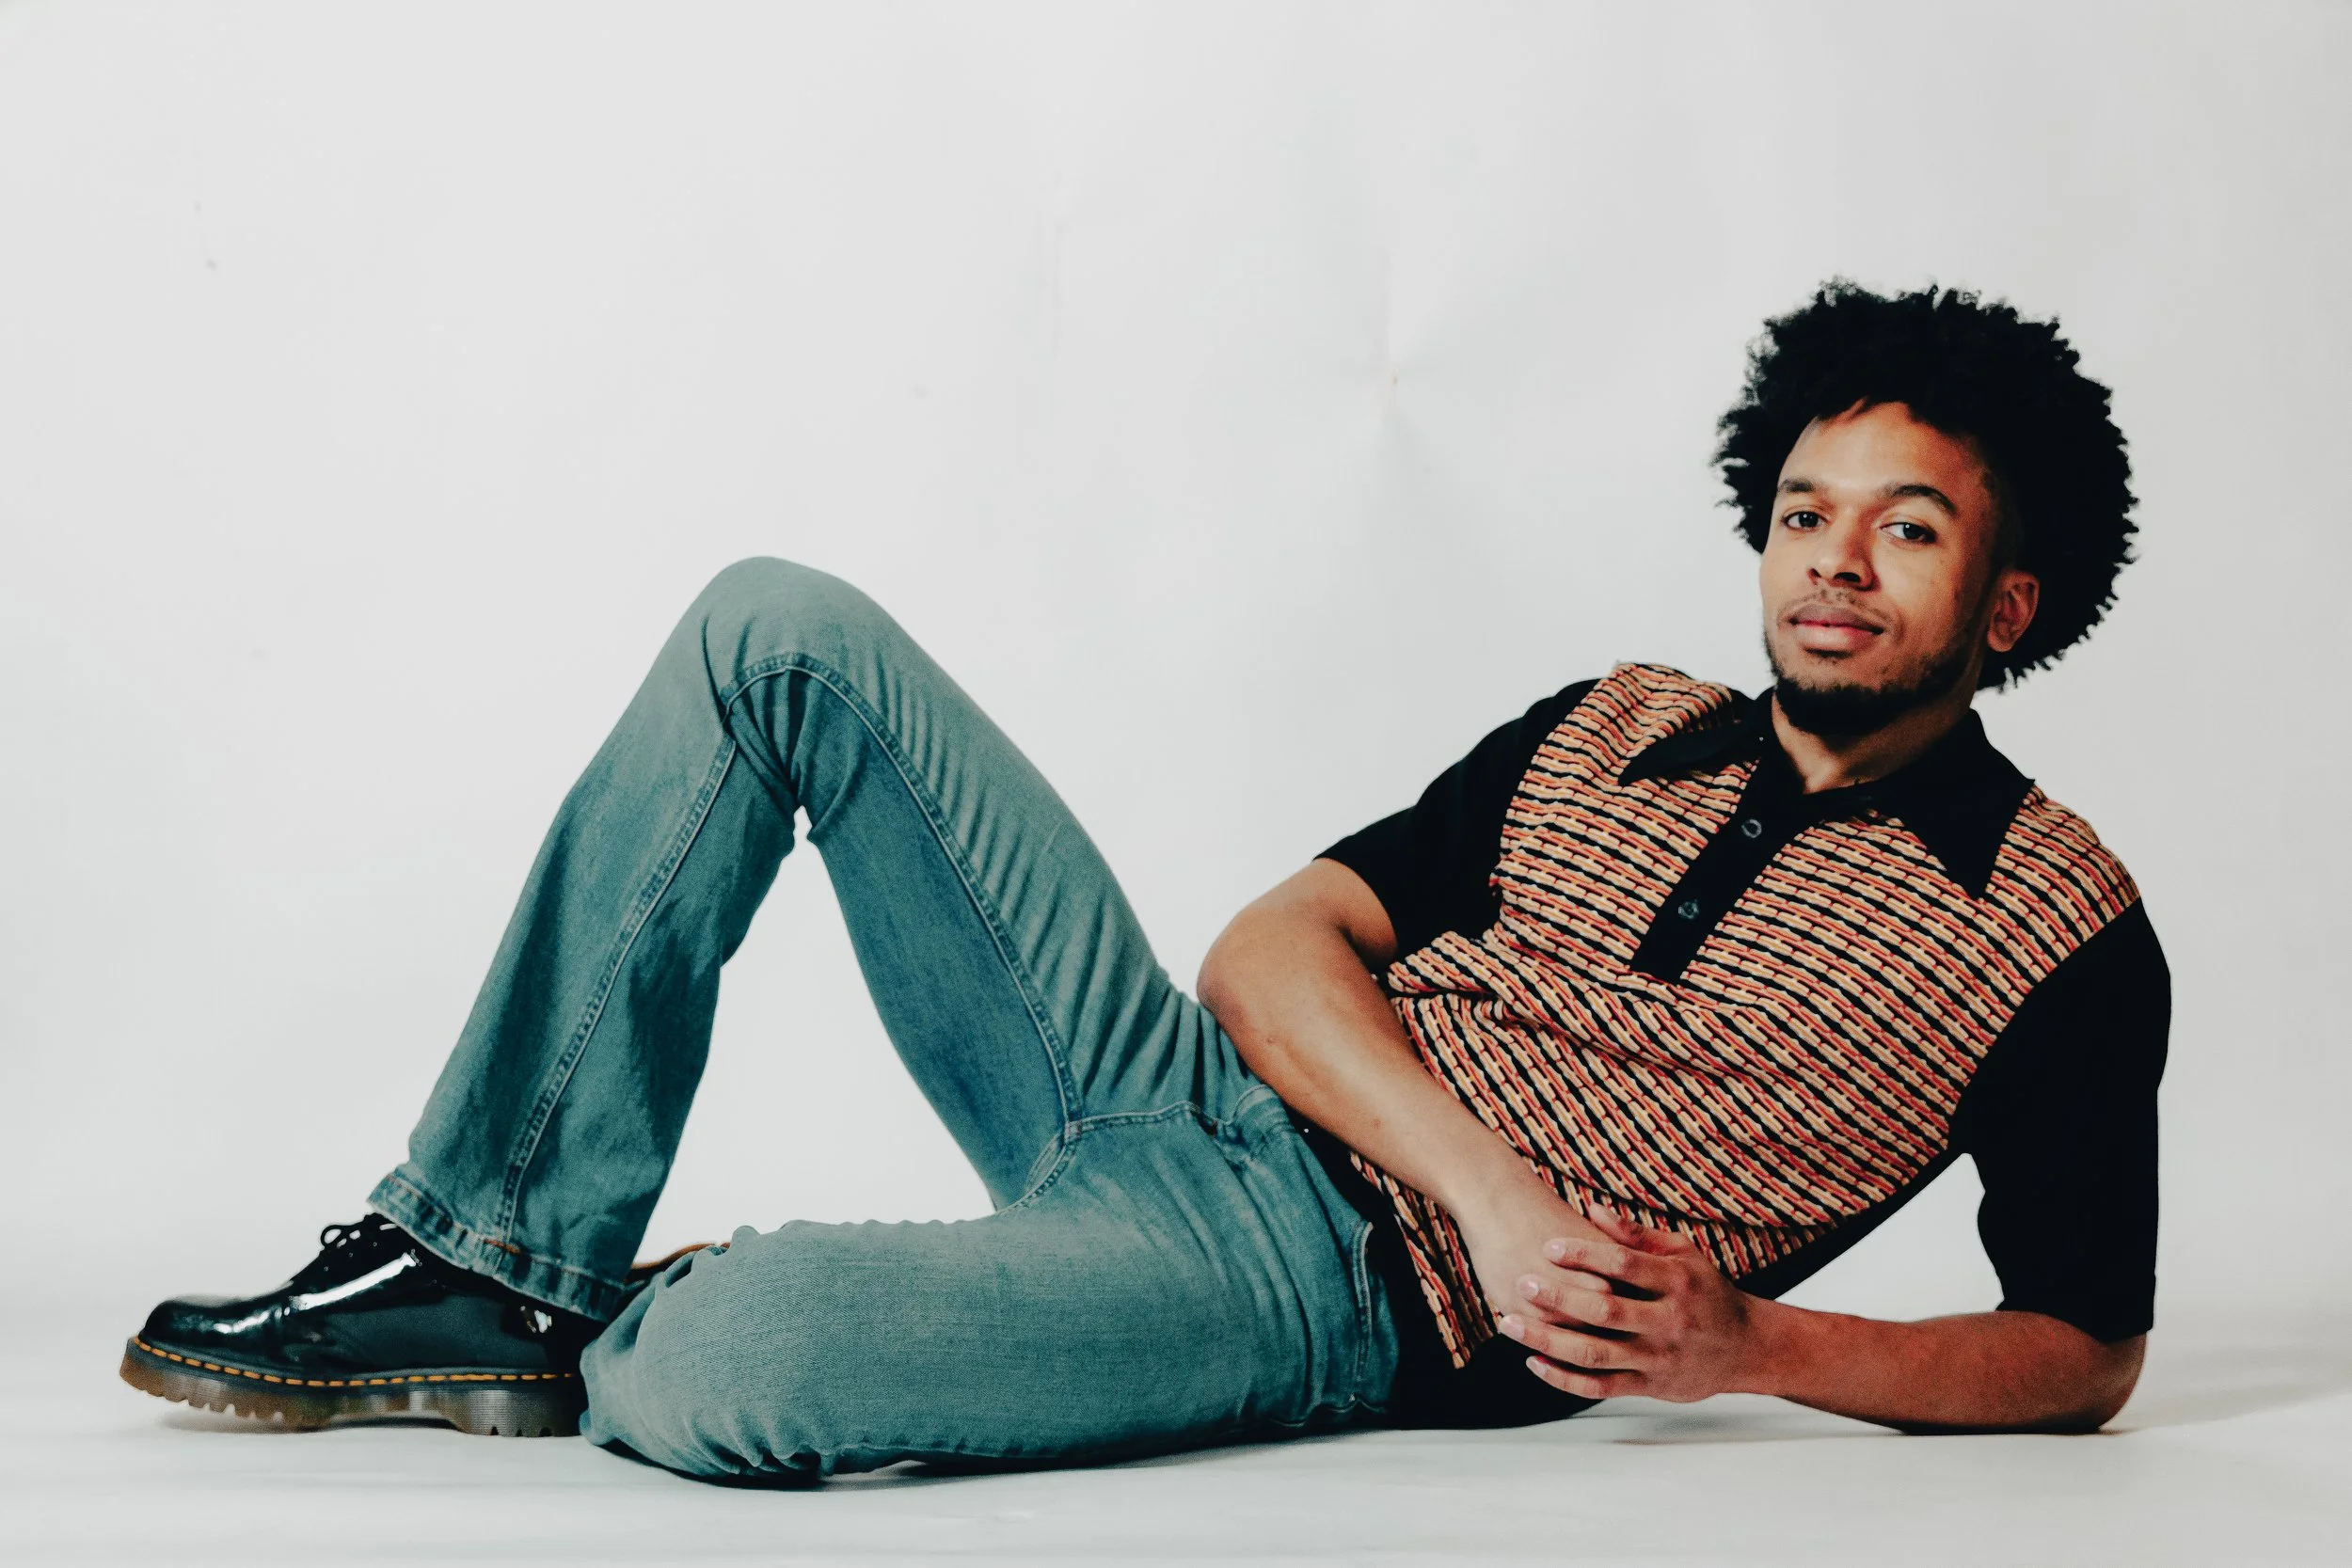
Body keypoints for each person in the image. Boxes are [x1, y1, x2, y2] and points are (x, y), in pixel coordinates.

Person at [120, 281, 2168, 1480]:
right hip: (1169, 1082)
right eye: (1803, 511)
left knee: (736, 1369)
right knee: (779, 626)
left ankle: (684, 1308)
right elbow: (1275, 946)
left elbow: (2081, 1345)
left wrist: (1754, 1347)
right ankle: (493, 1250)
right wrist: (1493, 1182)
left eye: (1904, 530)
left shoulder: (2054, 919)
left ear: (2008, 600)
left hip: (1324, 1291)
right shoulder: (1616, 717)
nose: (1829, 562)